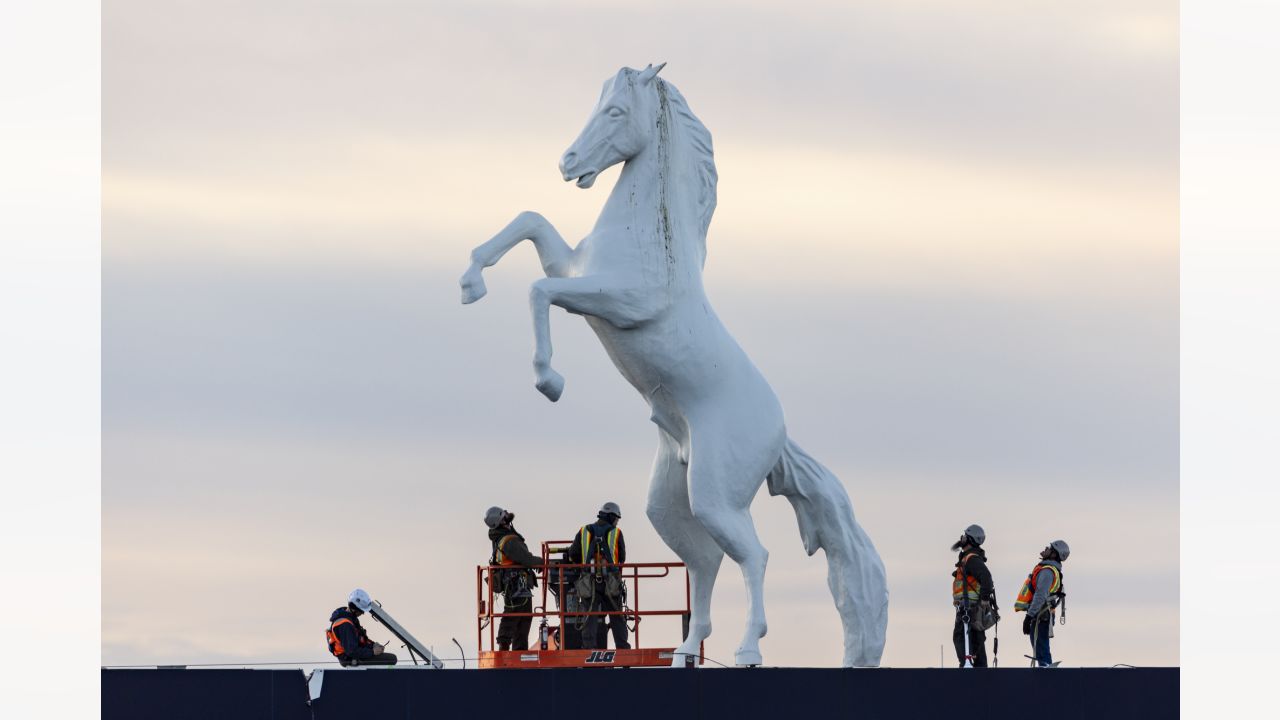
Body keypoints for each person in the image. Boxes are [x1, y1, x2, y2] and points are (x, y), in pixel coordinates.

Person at [566, 502, 630, 650]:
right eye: (616, 519)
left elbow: (573, 554)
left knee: (590, 616)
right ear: (612, 517)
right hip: (611, 581)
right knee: (617, 616)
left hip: (588, 581)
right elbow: (622, 557)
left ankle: (589, 649)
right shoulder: (616, 533)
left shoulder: (584, 531)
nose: (617, 522)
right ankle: (623, 648)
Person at [485, 505, 541, 651]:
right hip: (517, 586)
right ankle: (505, 651)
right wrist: (545, 563)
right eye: (504, 515)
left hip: (517, 585)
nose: (507, 516)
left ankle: (519, 653)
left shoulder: (501, 538)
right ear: (501, 521)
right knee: (512, 617)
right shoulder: (509, 541)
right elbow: (526, 559)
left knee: (523, 619)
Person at [1014, 539, 1069, 667]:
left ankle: (1046, 675)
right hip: (1042, 614)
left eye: (1049, 548)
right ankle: (1045, 670)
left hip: (1040, 615)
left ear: (1054, 554)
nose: (1045, 549)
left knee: (1041, 649)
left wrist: (1029, 616)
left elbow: (1040, 595)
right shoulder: (1049, 570)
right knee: (1040, 648)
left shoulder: (1047, 571)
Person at [950, 524, 996, 668]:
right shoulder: (968, 559)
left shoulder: (971, 559)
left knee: (962, 638)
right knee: (976, 642)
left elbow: (986, 578)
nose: (961, 538)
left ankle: (968, 668)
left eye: (964, 535)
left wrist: (984, 600)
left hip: (970, 609)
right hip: (969, 608)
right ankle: (979, 671)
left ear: (969, 539)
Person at [326, 588, 398, 666]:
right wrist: (372, 652)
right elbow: (352, 651)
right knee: (392, 659)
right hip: (349, 659)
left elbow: (360, 640)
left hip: (354, 655)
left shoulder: (350, 619)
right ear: (354, 609)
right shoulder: (345, 625)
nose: (363, 613)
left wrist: (373, 645)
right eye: (361, 611)